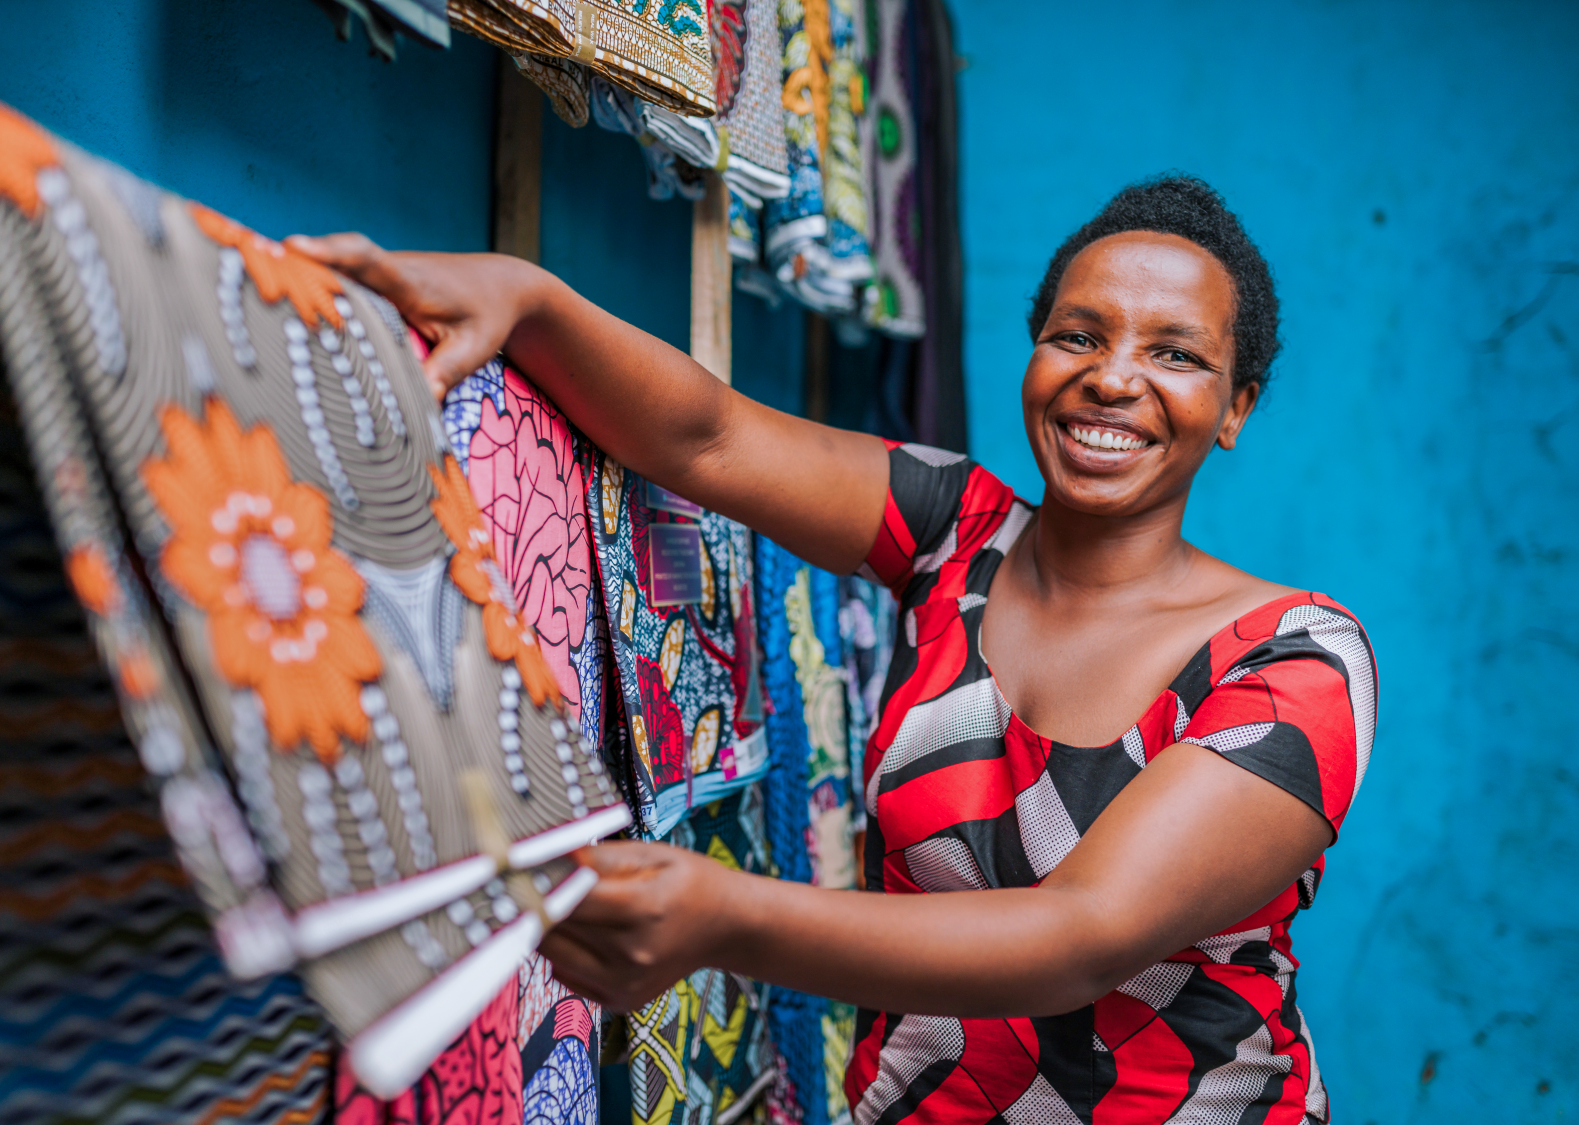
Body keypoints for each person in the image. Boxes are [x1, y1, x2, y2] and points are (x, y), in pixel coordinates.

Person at [292, 175, 1375, 1124]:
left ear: (1232, 409)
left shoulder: (1295, 663)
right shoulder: (955, 534)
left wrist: (720, 915)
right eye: (1077, 335)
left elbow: (1080, 937)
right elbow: (706, 436)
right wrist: (525, 300)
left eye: (1173, 354)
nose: (1111, 377)